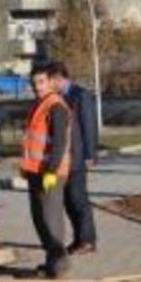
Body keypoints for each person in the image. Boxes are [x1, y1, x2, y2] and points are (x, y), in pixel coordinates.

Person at [22, 61, 73, 279]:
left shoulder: (56, 106)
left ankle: (59, 267)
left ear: (51, 82)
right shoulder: (39, 104)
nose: (37, 86)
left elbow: (59, 143)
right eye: (34, 82)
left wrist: (51, 171)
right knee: (40, 219)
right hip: (36, 171)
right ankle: (51, 262)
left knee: (51, 220)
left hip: (49, 172)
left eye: (41, 81)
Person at [52, 62, 98, 255]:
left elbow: (89, 126)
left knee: (79, 200)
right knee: (68, 201)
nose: (51, 85)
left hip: (78, 156)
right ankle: (78, 239)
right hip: (64, 159)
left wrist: (90, 154)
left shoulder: (81, 96)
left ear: (61, 78)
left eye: (53, 80)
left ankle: (88, 240)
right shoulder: (56, 98)